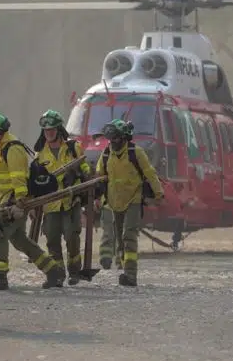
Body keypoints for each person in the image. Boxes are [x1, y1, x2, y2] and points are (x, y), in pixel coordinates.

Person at [0, 111, 64, 290]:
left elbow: (19, 177)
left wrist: (20, 203)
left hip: (15, 202)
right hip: (7, 200)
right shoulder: (2, 147)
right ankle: (52, 270)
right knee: (19, 240)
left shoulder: (12, 148)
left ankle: (0, 277)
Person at [95, 119, 164, 287]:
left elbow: (150, 173)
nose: (113, 143)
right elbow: (99, 177)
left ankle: (130, 274)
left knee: (129, 236)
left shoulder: (136, 152)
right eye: (111, 139)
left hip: (133, 199)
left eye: (116, 139)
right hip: (114, 201)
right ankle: (124, 267)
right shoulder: (106, 154)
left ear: (124, 138)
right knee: (119, 238)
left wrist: (158, 192)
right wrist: (97, 197)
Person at [32, 109, 91, 286]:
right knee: (52, 240)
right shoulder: (40, 154)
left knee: (72, 237)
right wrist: (34, 206)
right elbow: (34, 182)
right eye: (46, 130)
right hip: (50, 204)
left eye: (52, 130)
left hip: (70, 201)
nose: (48, 133)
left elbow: (86, 170)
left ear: (59, 130)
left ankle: (74, 271)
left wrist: (79, 173)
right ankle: (57, 274)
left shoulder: (73, 148)